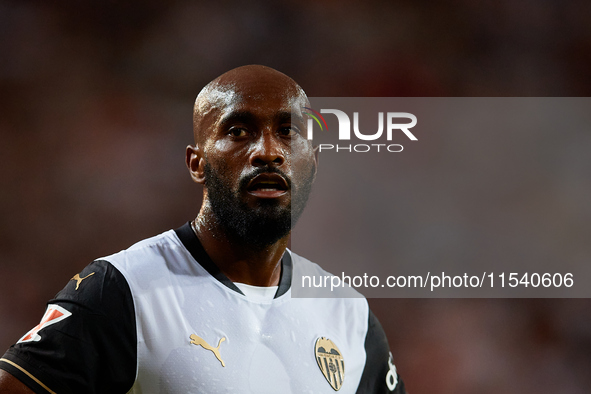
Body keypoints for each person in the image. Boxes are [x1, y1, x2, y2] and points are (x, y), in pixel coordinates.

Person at [0, 65, 406, 393]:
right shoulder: (122, 289)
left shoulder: (348, 313)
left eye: (287, 131)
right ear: (197, 164)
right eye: (238, 131)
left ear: (312, 164)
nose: (268, 151)